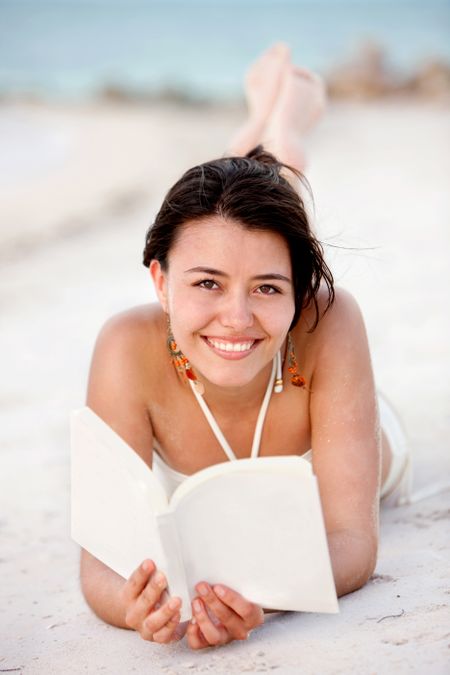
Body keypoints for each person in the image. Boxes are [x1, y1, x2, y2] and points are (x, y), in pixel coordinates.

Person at [79, 44, 411, 649]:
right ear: (159, 280)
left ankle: (281, 135)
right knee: (232, 216)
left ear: (300, 294)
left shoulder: (328, 323)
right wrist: (133, 609)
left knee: (252, 226)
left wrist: (268, 595)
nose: (235, 319)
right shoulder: (127, 347)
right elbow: (100, 564)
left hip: (357, 426)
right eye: (204, 283)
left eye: (269, 289)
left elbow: (353, 542)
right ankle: (271, 131)